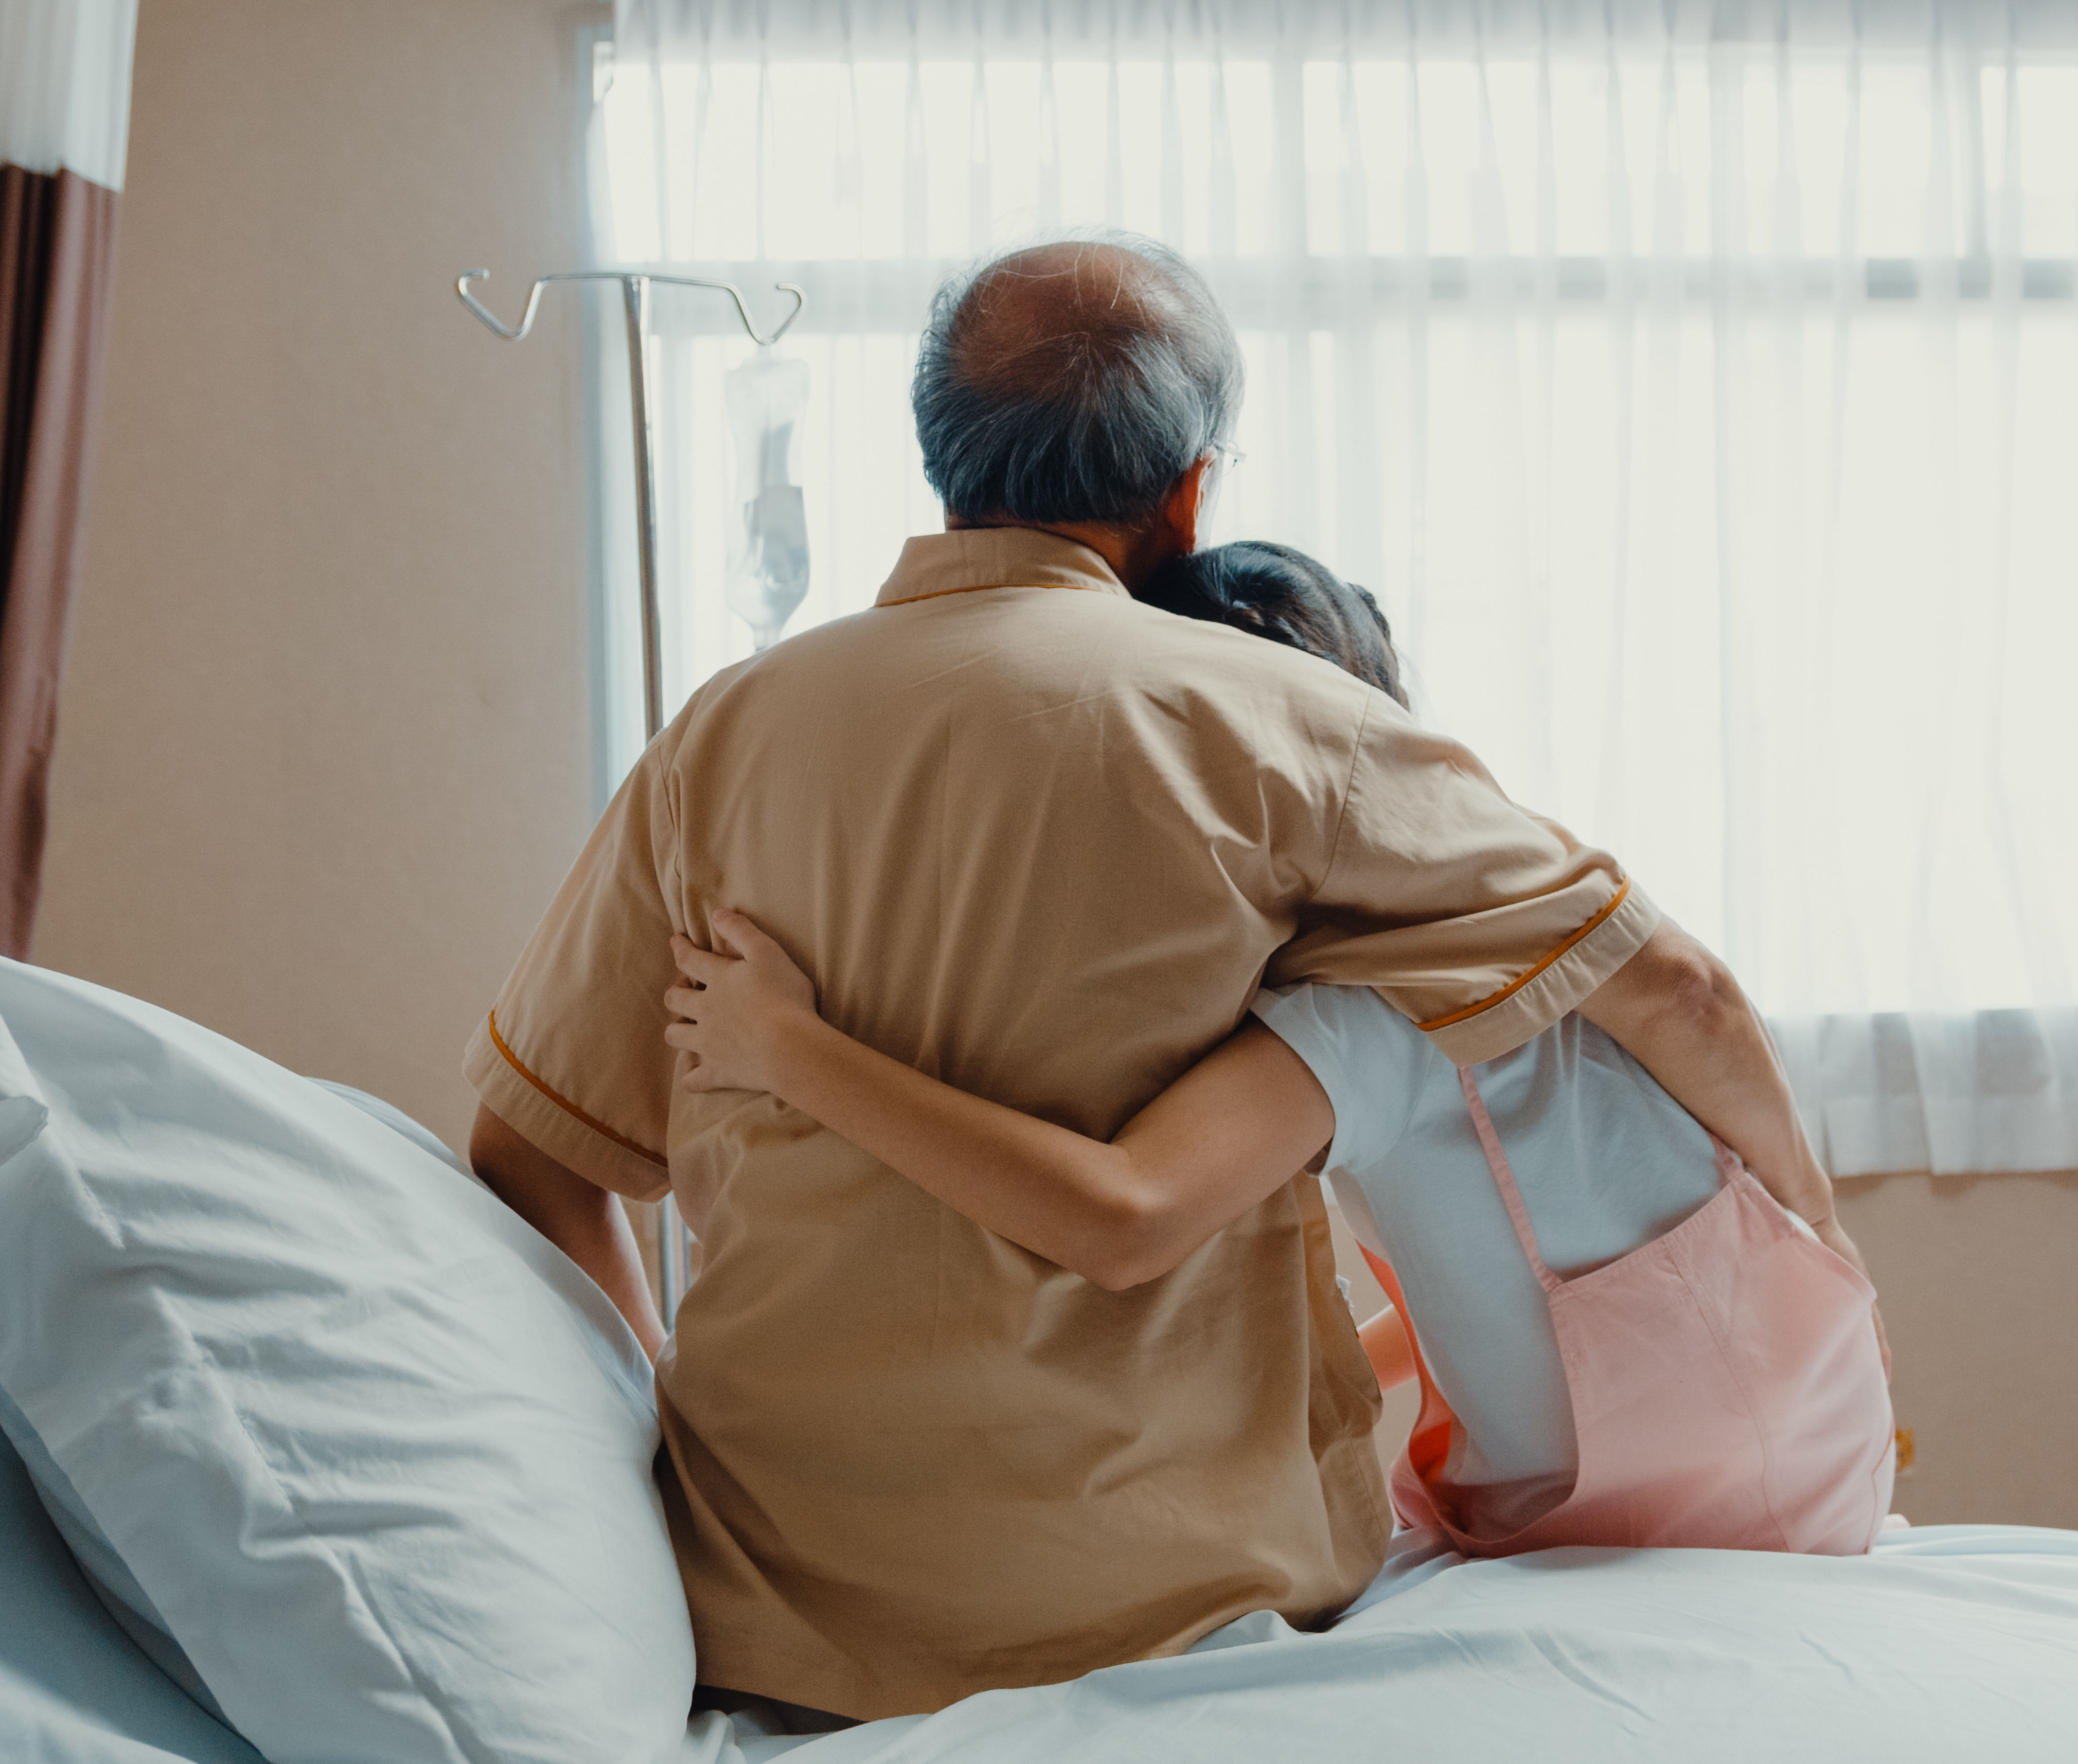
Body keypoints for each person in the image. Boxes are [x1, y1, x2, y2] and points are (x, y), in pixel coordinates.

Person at [461, 232, 1830, 1725]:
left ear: (940, 457)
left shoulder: (717, 742)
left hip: (783, 1620)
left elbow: (530, 1155)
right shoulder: (1289, 727)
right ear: (1190, 490)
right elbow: (1676, 995)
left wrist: (668, 1446)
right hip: (1189, 1605)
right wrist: (1823, 1274)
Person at [662, 541, 1894, 1563]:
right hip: (1806, 1424)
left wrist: (788, 1046)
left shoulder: (1369, 1013)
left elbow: (1124, 1217)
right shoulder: (1512, 915)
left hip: (1683, 1514)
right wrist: (1819, 1241)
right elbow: (1569, 1218)